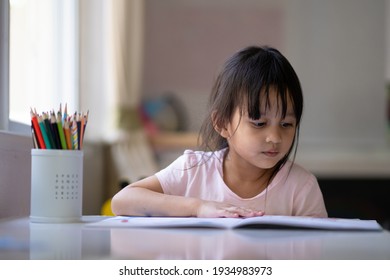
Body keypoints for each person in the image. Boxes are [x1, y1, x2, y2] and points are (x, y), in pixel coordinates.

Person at [111, 46, 328, 218]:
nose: (275, 137)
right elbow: (123, 200)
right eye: (259, 123)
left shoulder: (301, 187)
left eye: (286, 124)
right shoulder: (193, 170)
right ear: (222, 123)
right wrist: (197, 207)